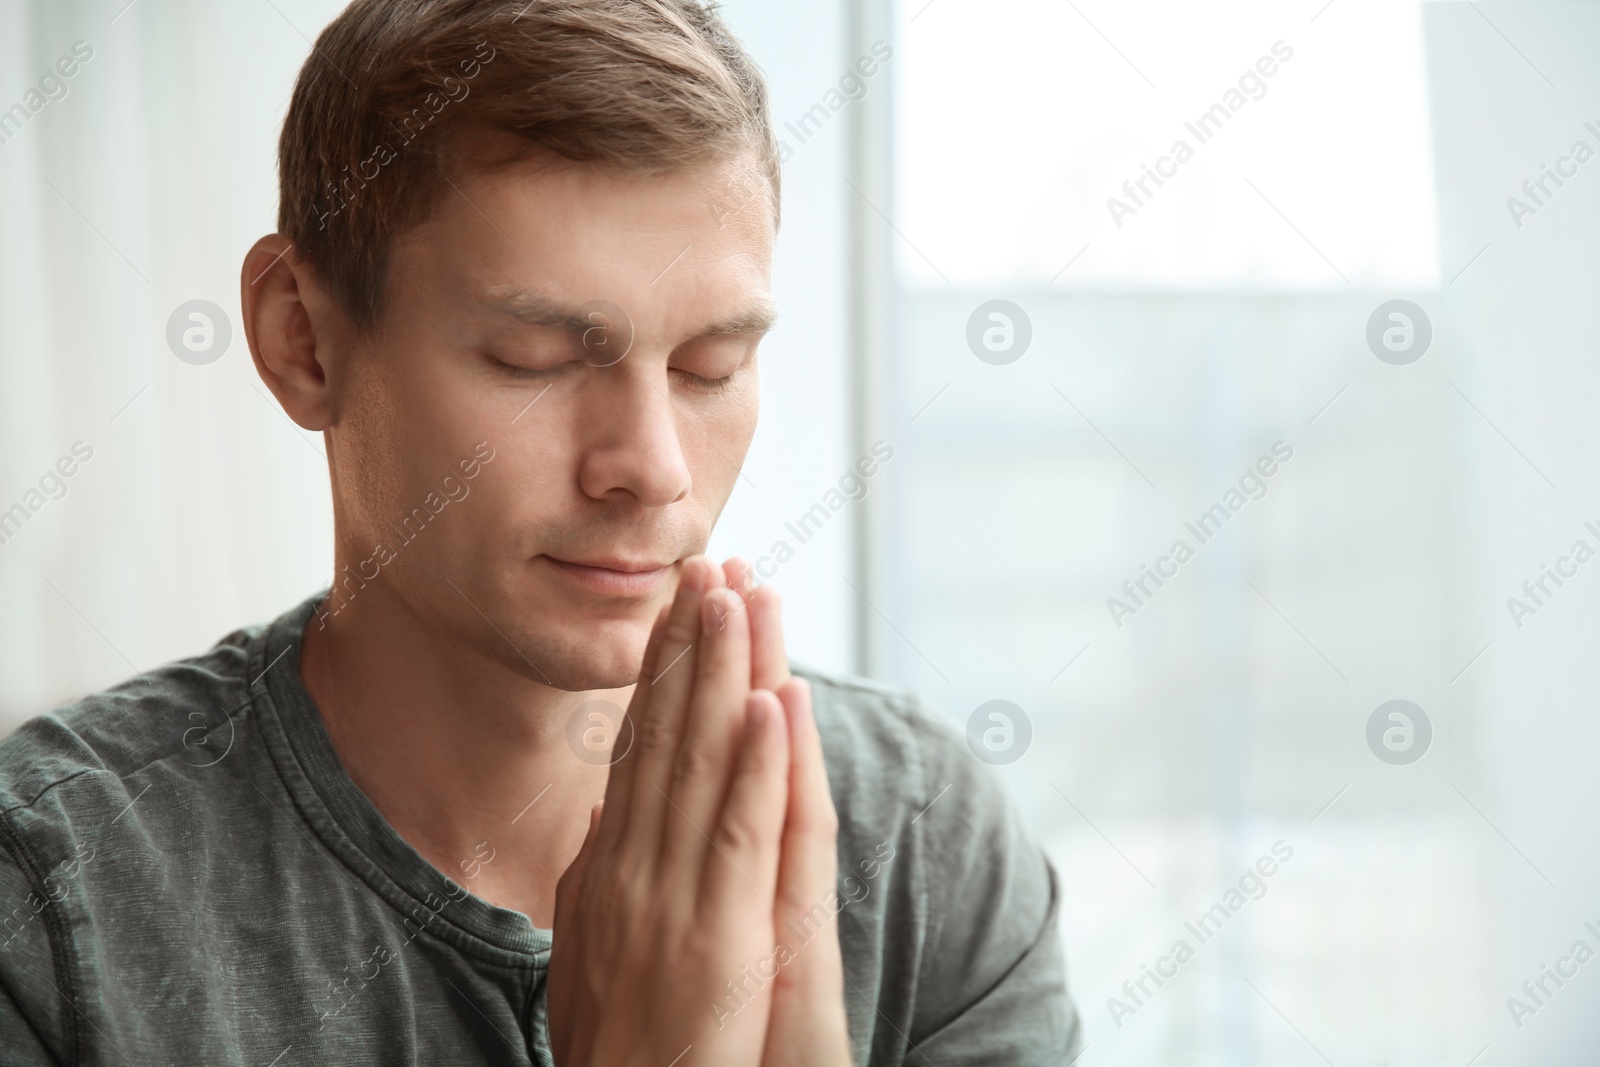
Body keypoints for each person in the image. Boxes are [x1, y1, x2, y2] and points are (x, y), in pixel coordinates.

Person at [0, 1, 1080, 1063]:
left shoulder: (920, 841)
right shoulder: (48, 896)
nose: (651, 466)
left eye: (711, 366)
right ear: (304, 339)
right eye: (534, 357)